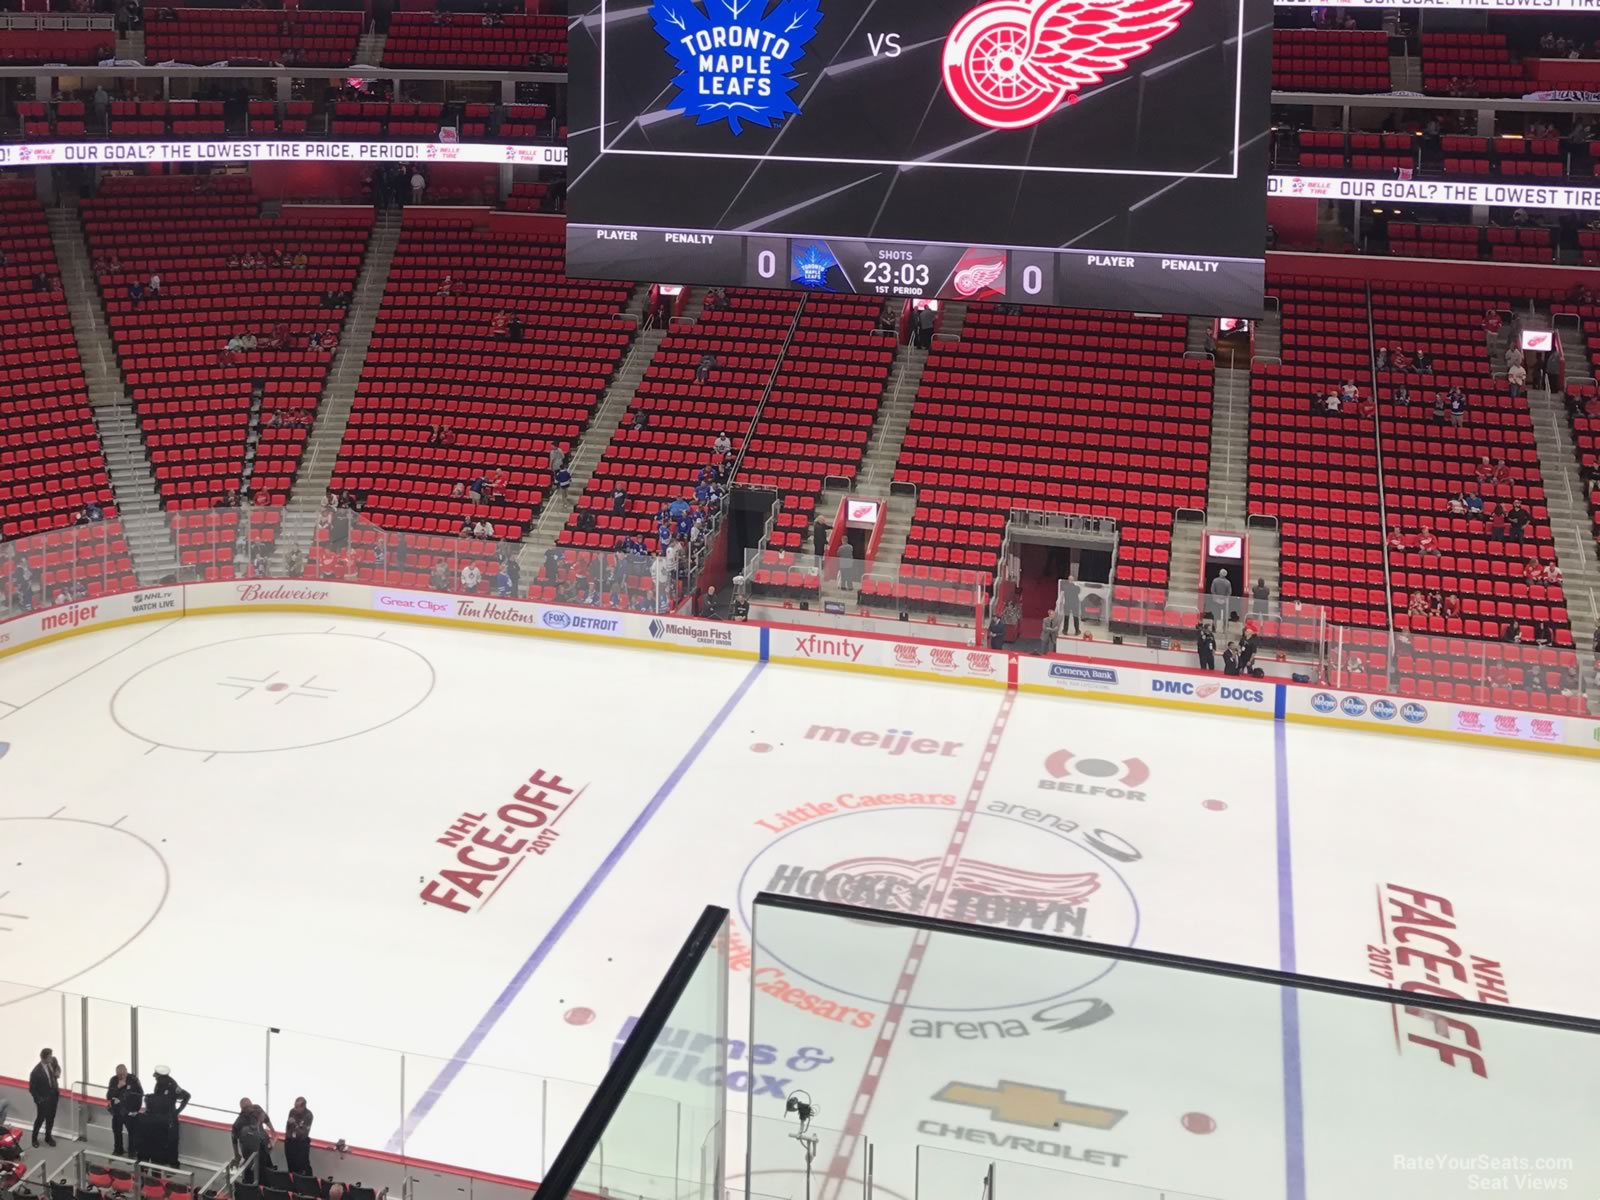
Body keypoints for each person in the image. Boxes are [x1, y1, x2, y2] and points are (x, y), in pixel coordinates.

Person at [146, 1066, 190, 1166]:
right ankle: (162, 1161)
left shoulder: (171, 1085)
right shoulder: (160, 1084)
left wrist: (178, 1111)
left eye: (156, 1075)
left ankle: (173, 1164)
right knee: (161, 1140)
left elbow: (186, 1095)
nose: (154, 1076)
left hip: (169, 1117)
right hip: (160, 1116)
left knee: (172, 1141)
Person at [106, 1063, 143, 1157]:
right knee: (117, 1131)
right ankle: (118, 1150)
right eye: (119, 1074)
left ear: (126, 1071)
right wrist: (118, 1087)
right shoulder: (114, 1080)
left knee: (132, 1132)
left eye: (123, 1073)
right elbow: (109, 1095)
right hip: (117, 1112)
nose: (122, 1076)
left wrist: (136, 1109)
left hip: (130, 1111)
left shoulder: (133, 1080)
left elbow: (140, 1094)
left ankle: (132, 1152)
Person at [29, 1047, 61, 1147]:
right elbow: (32, 1089)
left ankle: (48, 1136)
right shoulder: (35, 1072)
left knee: (51, 1118)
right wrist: (39, 1100)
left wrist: (57, 1073)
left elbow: (58, 1068)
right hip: (43, 1100)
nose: (52, 1058)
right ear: (45, 1058)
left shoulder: (52, 1062)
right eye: (50, 1057)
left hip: (53, 1097)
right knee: (40, 1119)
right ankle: (34, 1139)